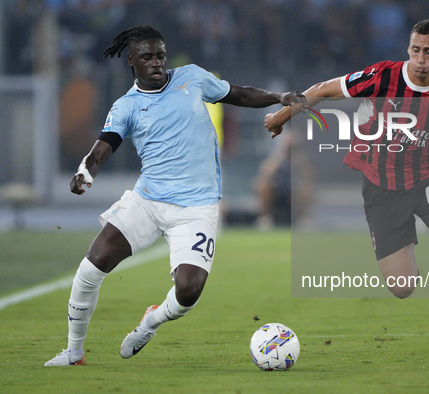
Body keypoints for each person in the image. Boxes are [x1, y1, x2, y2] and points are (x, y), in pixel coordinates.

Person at [265, 19, 429, 358]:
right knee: (403, 287)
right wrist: (281, 117)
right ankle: (405, 244)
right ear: (409, 48)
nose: (421, 59)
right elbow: (323, 88)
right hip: (382, 188)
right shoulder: (382, 76)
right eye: (416, 50)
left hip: (427, 182)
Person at [45, 25, 303, 366]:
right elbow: (102, 147)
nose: (157, 63)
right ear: (132, 61)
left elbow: (237, 94)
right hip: (148, 201)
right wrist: (85, 172)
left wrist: (279, 97)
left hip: (197, 207)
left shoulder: (192, 78)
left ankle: (151, 321)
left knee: (188, 293)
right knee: (91, 267)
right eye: (148, 57)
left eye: (161, 55)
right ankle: (74, 352)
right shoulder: (127, 106)